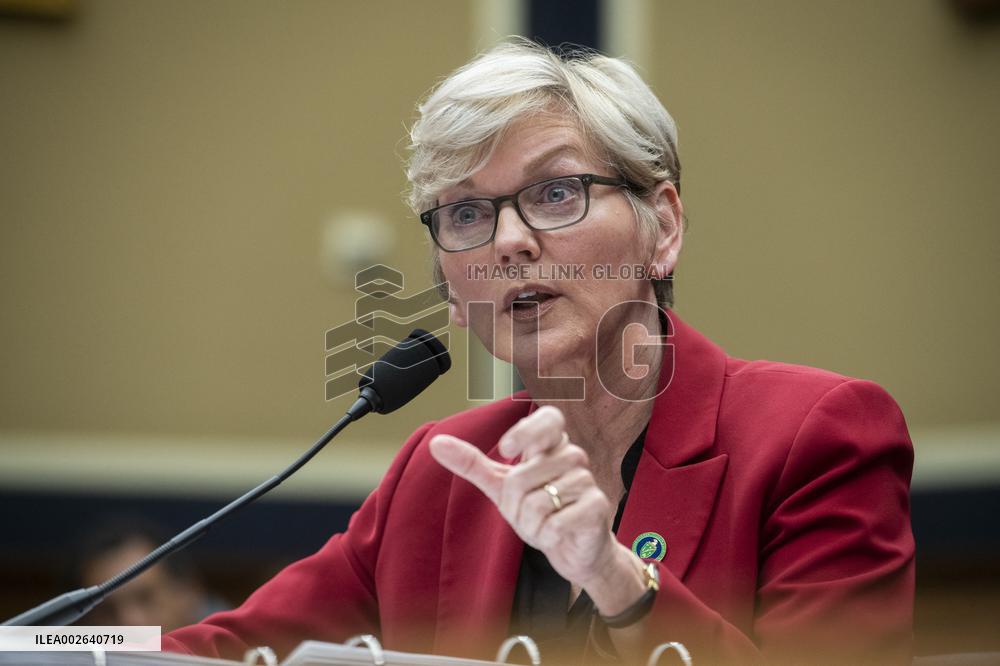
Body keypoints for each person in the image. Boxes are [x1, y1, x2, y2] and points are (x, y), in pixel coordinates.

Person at [162, 39, 914, 665]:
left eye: (556, 192)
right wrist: (90, 638)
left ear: (663, 228)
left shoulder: (816, 436)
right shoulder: (441, 474)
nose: (509, 242)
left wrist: (618, 582)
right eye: (466, 213)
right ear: (451, 290)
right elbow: (215, 648)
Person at [74, 519, 227, 632]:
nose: (130, 622)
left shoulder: (234, 652)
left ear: (189, 592)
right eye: (108, 611)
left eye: (145, 598)